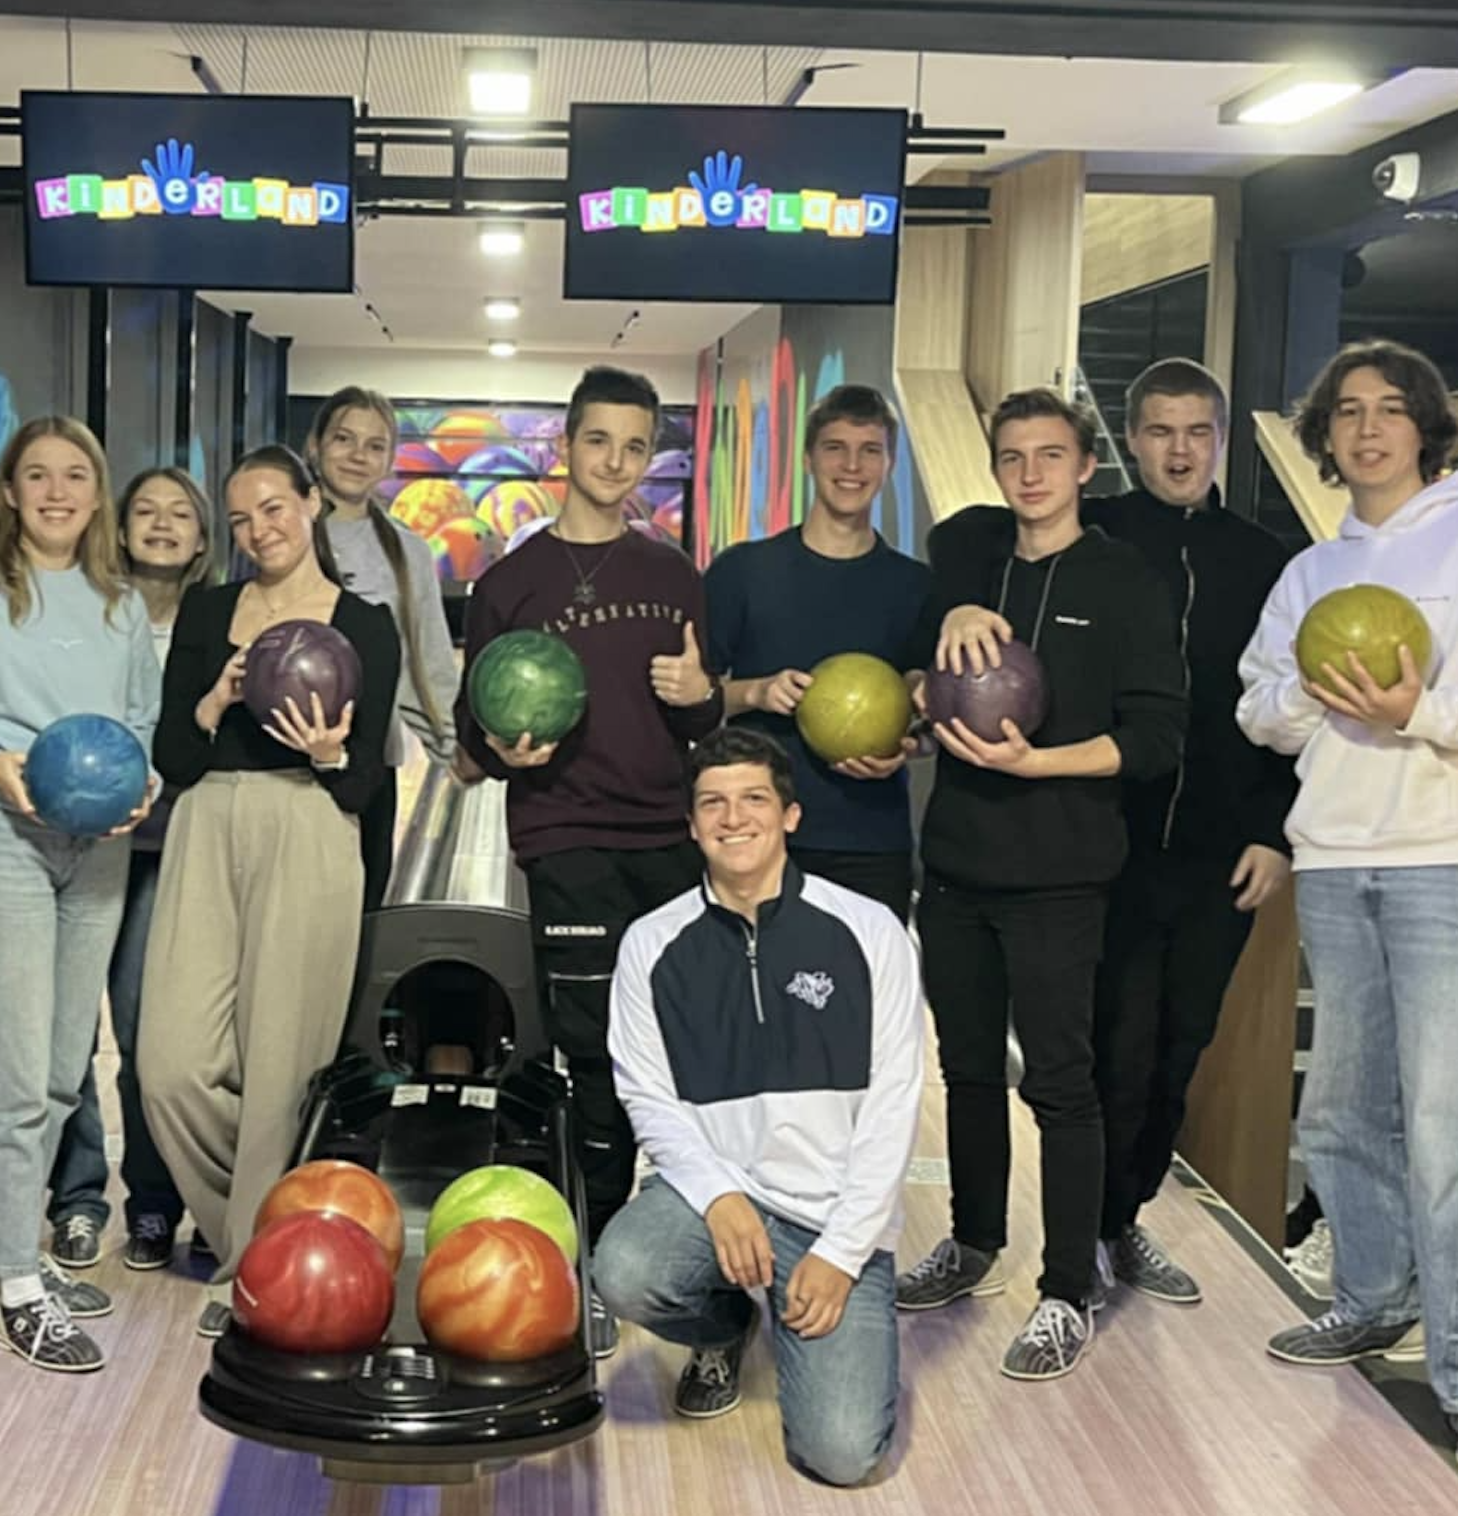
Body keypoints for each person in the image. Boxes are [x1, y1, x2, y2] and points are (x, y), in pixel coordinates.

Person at [1238, 339, 1458, 1490]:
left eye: (1389, 409)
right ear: (1323, 434)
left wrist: (1420, 709)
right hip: (1337, 858)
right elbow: (1256, 704)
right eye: (1346, 412)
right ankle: (1371, 1295)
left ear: (1424, 427)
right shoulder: (1311, 569)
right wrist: (1312, 696)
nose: (1367, 428)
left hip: (1451, 859)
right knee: (1340, 1109)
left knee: (1454, 1129)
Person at [923, 359, 1295, 1304]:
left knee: (1158, 1053)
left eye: (1199, 432)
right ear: (1129, 446)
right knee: (1066, 1056)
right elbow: (956, 538)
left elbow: (1242, 716)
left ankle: (1104, 1239)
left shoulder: (1239, 562)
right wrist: (956, 601)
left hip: (1175, 846)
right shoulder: (1010, 543)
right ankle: (992, 1240)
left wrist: (1273, 829)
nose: (1181, 449)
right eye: (1161, 430)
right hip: (1065, 850)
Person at [891, 388, 1185, 1382]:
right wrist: (948, 619)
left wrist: (1037, 765)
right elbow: (920, 661)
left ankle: (1066, 1288)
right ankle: (973, 1241)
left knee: (1060, 1082)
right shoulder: (970, 560)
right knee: (968, 1069)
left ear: (1086, 466)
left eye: (1050, 455)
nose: (1030, 474)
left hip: (1063, 872)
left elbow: (1156, 738)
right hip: (956, 864)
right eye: (1012, 456)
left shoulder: (1125, 579)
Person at [451, 366, 724, 1356]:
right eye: (599, 440)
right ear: (565, 445)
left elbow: (702, 717)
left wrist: (700, 693)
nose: (615, 460)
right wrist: (503, 751)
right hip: (565, 836)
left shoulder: (672, 575)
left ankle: (681, 1243)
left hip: (665, 838)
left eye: (634, 445)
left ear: (649, 458)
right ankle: (600, 1253)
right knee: (594, 1057)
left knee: (680, 1056)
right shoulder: (507, 583)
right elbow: (467, 745)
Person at [596, 728, 920, 1487]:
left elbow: (894, 1106)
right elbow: (647, 1095)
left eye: (753, 799)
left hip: (831, 1214)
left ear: (790, 816)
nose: (733, 818)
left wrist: (841, 1254)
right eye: (713, 803)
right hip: (721, 1197)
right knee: (626, 1271)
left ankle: (804, 1297)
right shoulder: (651, 944)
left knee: (842, 1455)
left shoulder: (869, 931)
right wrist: (719, 1197)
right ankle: (724, 1324)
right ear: (691, 824)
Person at [0, 416, 161, 1374]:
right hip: (0, 838)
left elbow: (140, 723)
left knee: (64, 1071)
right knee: (13, 1079)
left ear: (97, 496)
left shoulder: (120, 604)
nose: (58, 493)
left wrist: (143, 787)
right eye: (38, 476)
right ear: (9, 491)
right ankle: (17, 1285)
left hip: (96, 849)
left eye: (76, 477)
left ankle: (18, 1249)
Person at [140, 445, 401, 1337]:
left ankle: (253, 1268)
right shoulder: (209, 611)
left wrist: (330, 753)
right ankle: (266, 1233)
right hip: (208, 823)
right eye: (241, 519)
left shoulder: (365, 626)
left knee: (283, 1066)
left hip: (312, 823)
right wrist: (213, 702)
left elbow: (365, 783)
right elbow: (175, 756)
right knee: (169, 1065)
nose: (259, 531)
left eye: (274, 509)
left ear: (312, 504)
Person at [45, 467, 209, 1274]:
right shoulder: (87, 613)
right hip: (83, 843)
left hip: (170, 851)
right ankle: (77, 1199)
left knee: (149, 1037)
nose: (162, 523)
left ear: (203, 538)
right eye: (146, 509)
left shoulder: (217, 621)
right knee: (70, 1032)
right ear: (119, 526)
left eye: (181, 513)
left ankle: (154, 1200)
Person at [704, 383, 932, 920]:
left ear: (889, 464)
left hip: (870, 839)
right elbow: (692, 701)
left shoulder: (917, 586)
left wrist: (909, 748)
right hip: (754, 836)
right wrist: (757, 693)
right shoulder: (743, 572)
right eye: (835, 448)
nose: (852, 466)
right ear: (808, 458)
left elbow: (928, 717)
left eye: (870, 450)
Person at [306, 386, 460, 908]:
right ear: (315, 446)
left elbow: (427, 662)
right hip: (279, 762)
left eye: (375, 446)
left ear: (390, 460)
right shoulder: (284, 533)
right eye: (344, 439)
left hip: (368, 763)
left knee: (359, 918)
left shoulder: (407, 551)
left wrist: (458, 753)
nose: (358, 455)